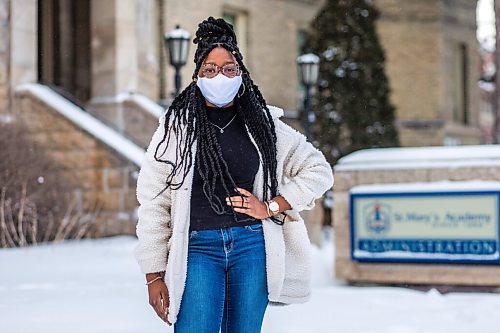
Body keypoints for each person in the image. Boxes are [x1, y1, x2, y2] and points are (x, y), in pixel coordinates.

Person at [134, 17, 334, 333]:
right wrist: (154, 274)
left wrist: (271, 206)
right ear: (197, 75)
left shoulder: (264, 125)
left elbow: (319, 171)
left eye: (229, 68)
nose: (220, 76)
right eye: (210, 70)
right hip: (197, 248)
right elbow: (153, 203)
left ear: (241, 73)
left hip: (252, 247)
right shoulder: (176, 129)